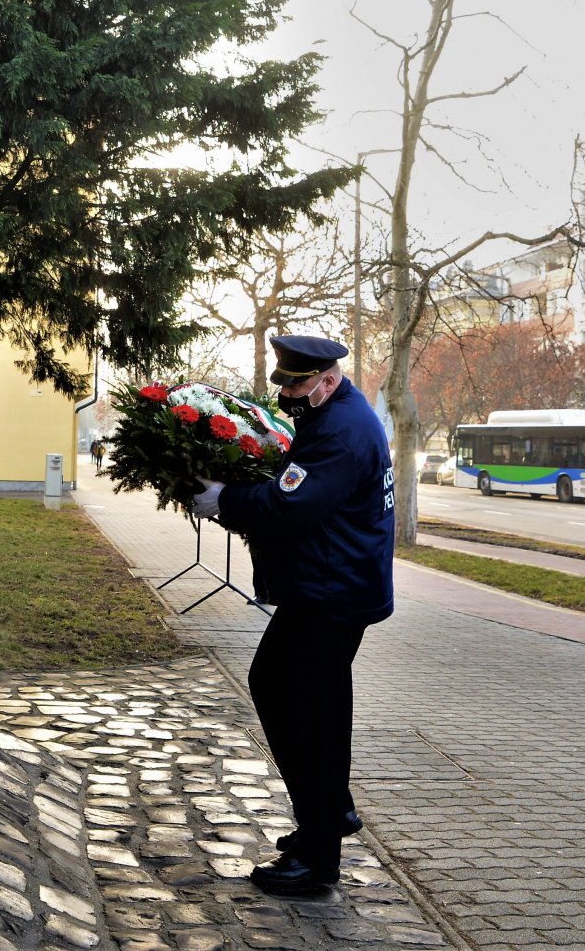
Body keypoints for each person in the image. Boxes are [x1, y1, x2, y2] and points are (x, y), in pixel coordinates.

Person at [191, 333, 394, 896]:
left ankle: (318, 855)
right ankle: (328, 815)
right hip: (336, 586)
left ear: (327, 381)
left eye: (297, 386)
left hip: (331, 593)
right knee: (317, 708)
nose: (287, 397)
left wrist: (224, 499)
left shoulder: (340, 431)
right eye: (284, 384)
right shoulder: (337, 413)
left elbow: (290, 506)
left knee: (297, 705)